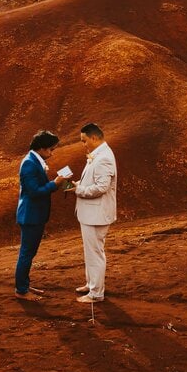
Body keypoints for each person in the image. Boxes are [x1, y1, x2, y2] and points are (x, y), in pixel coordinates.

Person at [15, 130, 69, 300]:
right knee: (26, 253)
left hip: (34, 215)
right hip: (31, 215)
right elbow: (34, 192)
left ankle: (24, 285)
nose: (52, 154)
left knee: (29, 253)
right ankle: (21, 290)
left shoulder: (33, 161)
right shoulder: (29, 163)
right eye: (50, 150)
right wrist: (55, 183)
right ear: (41, 148)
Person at [73, 123, 117, 303]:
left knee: (95, 253)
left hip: (96, 215)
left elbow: (101, 187)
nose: (84, 145)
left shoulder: (103, 157)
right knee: (90, 252)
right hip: (92, 214)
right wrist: (79, 186)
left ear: (94, 138)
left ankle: (96, 293)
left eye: (84, 141)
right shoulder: (99, 155)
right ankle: (91, 283)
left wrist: (78, 190)